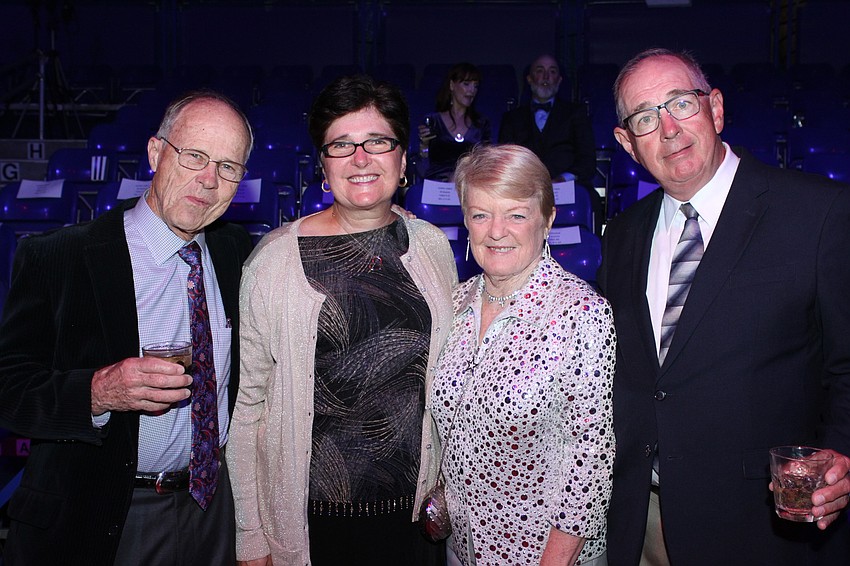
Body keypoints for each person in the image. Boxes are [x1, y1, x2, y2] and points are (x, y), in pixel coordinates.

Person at [598, 47, 850, 565]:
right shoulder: (623, 233)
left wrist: (842, 455)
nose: (668, 129)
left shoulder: (818, 213)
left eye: (681, 104)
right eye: (646, 118)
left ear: (714, 108)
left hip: (764, 529)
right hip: (643, 524)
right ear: (628, 144)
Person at [0, 90, 255, 565]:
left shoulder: (234, 252)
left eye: (228, 167)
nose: (208, 180)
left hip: (214, 510)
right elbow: (9, 390)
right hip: (103, 514)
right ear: (156, 153)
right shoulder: (61, 257)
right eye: (194, 156)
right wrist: (96, 393)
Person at [228, 74, 458, 566]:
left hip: (415, 522)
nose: (360, 158)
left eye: (377, 141)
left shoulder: (433, 247)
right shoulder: (272, 261)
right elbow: (248, 409)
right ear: (322, 163)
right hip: (314, 525)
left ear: (401, 158)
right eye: (341, 145)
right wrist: (251, 537)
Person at [430, 143, 616, 566]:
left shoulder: (581, 313)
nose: (496, 231)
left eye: (516, 214)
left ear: (547, 220)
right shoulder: (454, 304)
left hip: (546, 556)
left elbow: (591, 456)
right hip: (462, 548)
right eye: (480, 214)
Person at [498, 54, 597, 189]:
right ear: (529, 79)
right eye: (540, 71)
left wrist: (563, 179)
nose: (546, 77)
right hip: (525, 190)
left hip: (570, 187)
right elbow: (505, 160)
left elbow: (588, 160)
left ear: (559, 80)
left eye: (552, 71)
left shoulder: (576, 113)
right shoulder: (511, 118)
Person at [418, 62, 491, 181]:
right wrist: (424, 146)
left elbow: (485, 163)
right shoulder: (433, 121)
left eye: (476, 86)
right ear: (452, 85)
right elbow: (422, 167)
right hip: (438, 188)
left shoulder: (481, 123)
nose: (472, 90)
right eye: (466, 84)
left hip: (467, 186)